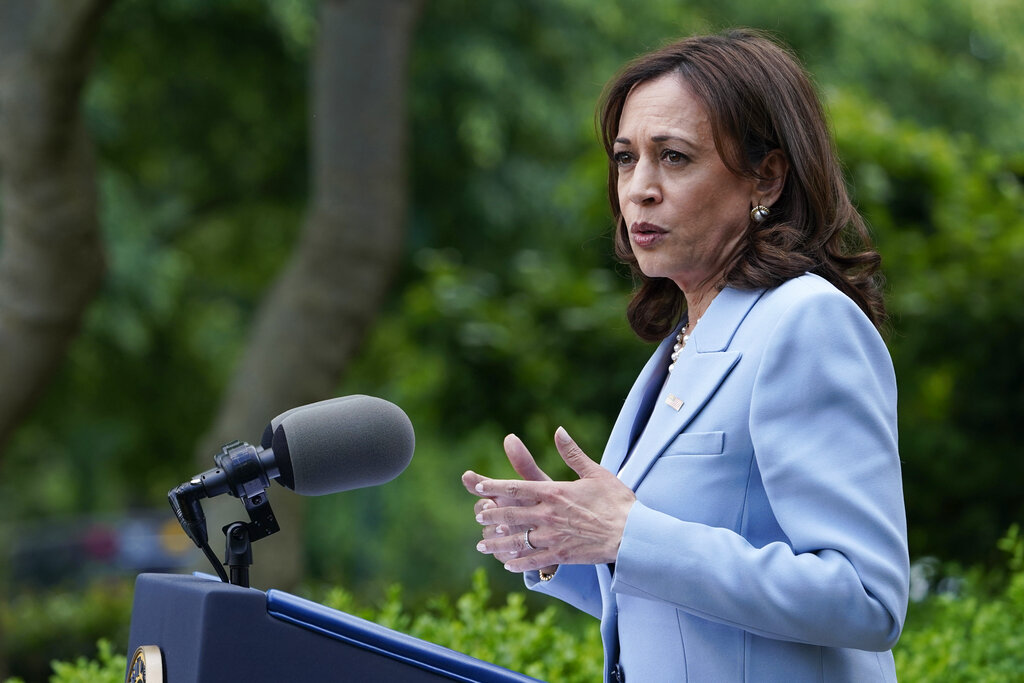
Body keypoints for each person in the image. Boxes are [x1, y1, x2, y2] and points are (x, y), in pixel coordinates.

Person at [462, 29, 909, 683]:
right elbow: (678, 612)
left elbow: (865, 596)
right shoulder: (683, 342)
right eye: (625, 158)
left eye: (673, 157)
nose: (639, 188)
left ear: (767, 176)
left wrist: (630, 533)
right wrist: (566, 543)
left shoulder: (805, 322)